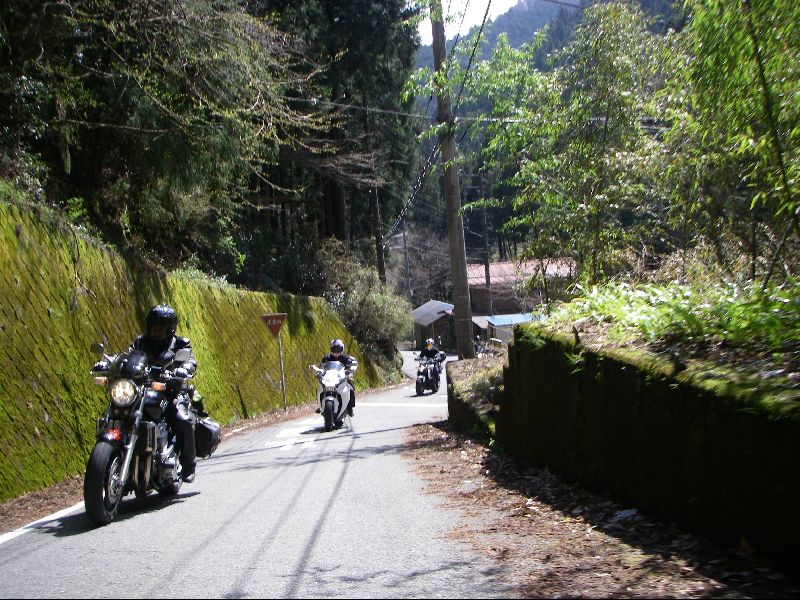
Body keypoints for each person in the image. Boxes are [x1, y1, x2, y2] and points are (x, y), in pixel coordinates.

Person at [129, 304, 198, 483]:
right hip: (144, 391)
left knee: (183, 419)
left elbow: (190, 360)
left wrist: (183, 369)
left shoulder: (180, 343)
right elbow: (128, 357)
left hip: (172, 391)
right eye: (153, 326)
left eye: (161, 326)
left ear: (171, 328)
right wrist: (113, 363)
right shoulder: (140, 343)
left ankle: (189, 464)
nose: (156, 330)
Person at [318, 338, 357, 416]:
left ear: (342, 349)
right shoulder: (326, 358)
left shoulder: (346, 358)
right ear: (331, 349)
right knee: (320, 388)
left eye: (338, 349)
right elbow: (322, 367)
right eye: (334, 349)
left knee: (351, 388)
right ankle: (320, 405)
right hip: (329, 378)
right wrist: (320, 373)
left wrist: (349, 371)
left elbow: (353, 364)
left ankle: (350, 407)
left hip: (342, 378)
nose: (336, 352)